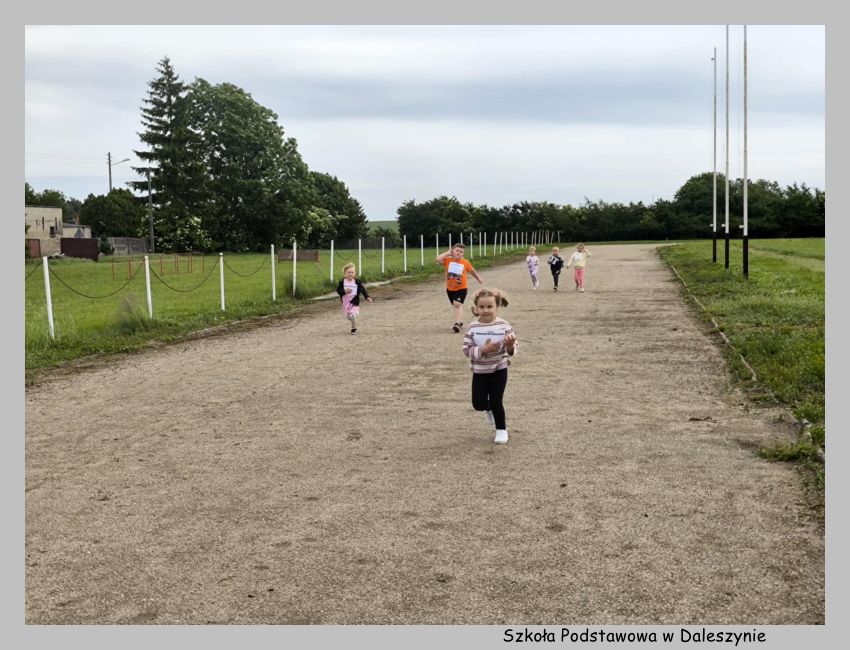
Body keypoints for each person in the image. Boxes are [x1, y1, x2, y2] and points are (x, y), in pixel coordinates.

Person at [462, 288, 517, 444]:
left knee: (496, 400)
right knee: (478, 404)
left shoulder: (504, 325)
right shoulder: (472, 328)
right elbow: (466, 350)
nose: (486, 310)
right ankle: (488, 408)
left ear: (497, 307)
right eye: (482, 307)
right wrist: (483, 350)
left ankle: (501, 430)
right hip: (479, 371)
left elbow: (513, 348)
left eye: (489, 306)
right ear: (476, 308)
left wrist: (510, 346)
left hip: (499, 368)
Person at [436, 243, 483, 332]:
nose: (459, 253)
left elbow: (472, 271)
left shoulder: (465, 262)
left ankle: (457, 324)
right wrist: (447, 253)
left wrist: (478, 278)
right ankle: (460, 321)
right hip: (450, 289)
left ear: (463, 254)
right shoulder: (448, 260)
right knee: (455, 305)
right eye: (457, 250)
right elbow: (438, 259)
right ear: (452, 251)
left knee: (457, 304)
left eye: (461, 252)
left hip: (462, 288)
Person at [335, 262, 373, 334]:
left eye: (352, 272)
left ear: (354, 273)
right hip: (346, 302)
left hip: (354, 302)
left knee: (352, 315)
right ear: (345, 273)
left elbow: (362, 289)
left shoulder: (357, 282)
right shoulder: (342, 282)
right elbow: (338, 291)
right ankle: (352, 321)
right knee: (349, 316)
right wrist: (344, 291)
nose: (350, 274)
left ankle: (353, 328)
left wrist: (367, 297)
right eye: (349, 272)